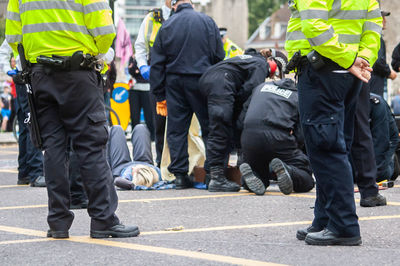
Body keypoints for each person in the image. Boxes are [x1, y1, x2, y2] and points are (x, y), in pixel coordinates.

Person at [6, 0, 139, 239]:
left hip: (40, 76)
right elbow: (105, 31)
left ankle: (58, 223)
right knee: (91, 145)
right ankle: (103, 220)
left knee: (53, 148)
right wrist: (94, 54)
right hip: (78, 74)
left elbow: (14, 36)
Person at [285, 0, 382, 246]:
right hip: (349, 75)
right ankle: (325, 218)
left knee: (325, 148)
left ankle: (343, 225)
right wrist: (361, 60)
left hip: (324, 70)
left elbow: (314, 25)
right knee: (338, 146)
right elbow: (373, 29)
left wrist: (349, 60)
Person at [150, 0, 225, 189]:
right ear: (191, 3)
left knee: (177, 130)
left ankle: (181, 176)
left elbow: (157, 64)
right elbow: (219, 56)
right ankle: (212, 174)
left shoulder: (166, 26)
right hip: (202, 80)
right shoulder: (207, 22)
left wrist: (159, 94)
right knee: (210, 128)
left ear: (174, 5)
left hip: (175, 84)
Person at [198, 49, 285, 192]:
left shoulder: (249, 59)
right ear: (273, 63)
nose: (271, 76)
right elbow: (249, 93)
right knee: (220, 129)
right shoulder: (261, 65)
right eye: (276, 72)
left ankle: (211, 175)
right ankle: (217, 179)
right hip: (222, 82)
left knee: (218, 128)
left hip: (208, 79)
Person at [239, 78, 315, 196]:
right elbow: (301, 133)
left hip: (250, 136)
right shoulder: (298, 96)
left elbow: (241, 118)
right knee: (306, 178)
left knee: (256, 169)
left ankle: (254, 175)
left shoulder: (260, 87)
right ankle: (289, 171)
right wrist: (295, 149)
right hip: (277, 136)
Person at [0, 40, 46, 186]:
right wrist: (9, 70)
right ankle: (36, 173)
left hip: (23, 78)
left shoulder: (19, 28)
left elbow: (3, 52)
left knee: (25, 125)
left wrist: (9, 70)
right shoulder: (23, 27)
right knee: (32, 123)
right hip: (27, 77)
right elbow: (3, 52)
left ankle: (25, 172)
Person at [135, 0, 171, 167]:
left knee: (182, 124)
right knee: (159, 123)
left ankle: (181, 165)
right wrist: (142, 65)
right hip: (158, 77)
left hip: (178, 75)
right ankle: (161, 163)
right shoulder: (151, 18)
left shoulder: (186, 15)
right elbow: (141, 45)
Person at [107, 124, 162, 190]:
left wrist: (133, 185)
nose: (133, 167)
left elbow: (117, 181)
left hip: (121, 166)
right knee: (141, 128)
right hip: (145, 162)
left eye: (133, 170)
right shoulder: (156, 173)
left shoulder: (128, 177)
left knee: (116, 129)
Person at [370, 93, 400, 182]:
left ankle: (392, 162)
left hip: (380, 143)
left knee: (379, 175)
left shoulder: (375, 102)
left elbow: (382, 140)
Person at [368, 10, 397, 97]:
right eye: (382, 18)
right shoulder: (376, 38)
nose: (385, 21)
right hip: (374, 81)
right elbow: (378, 61)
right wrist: (389, 72)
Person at [128, 55, 154, 140]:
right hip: (134, 89)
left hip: (147, 89)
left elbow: (149, 72)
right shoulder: (133, 57)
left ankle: (152, 137)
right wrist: (137, 71)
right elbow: (131, 71)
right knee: (134, 115)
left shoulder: (150, 56)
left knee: (149, 116)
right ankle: (135, 137)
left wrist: (138, 71)